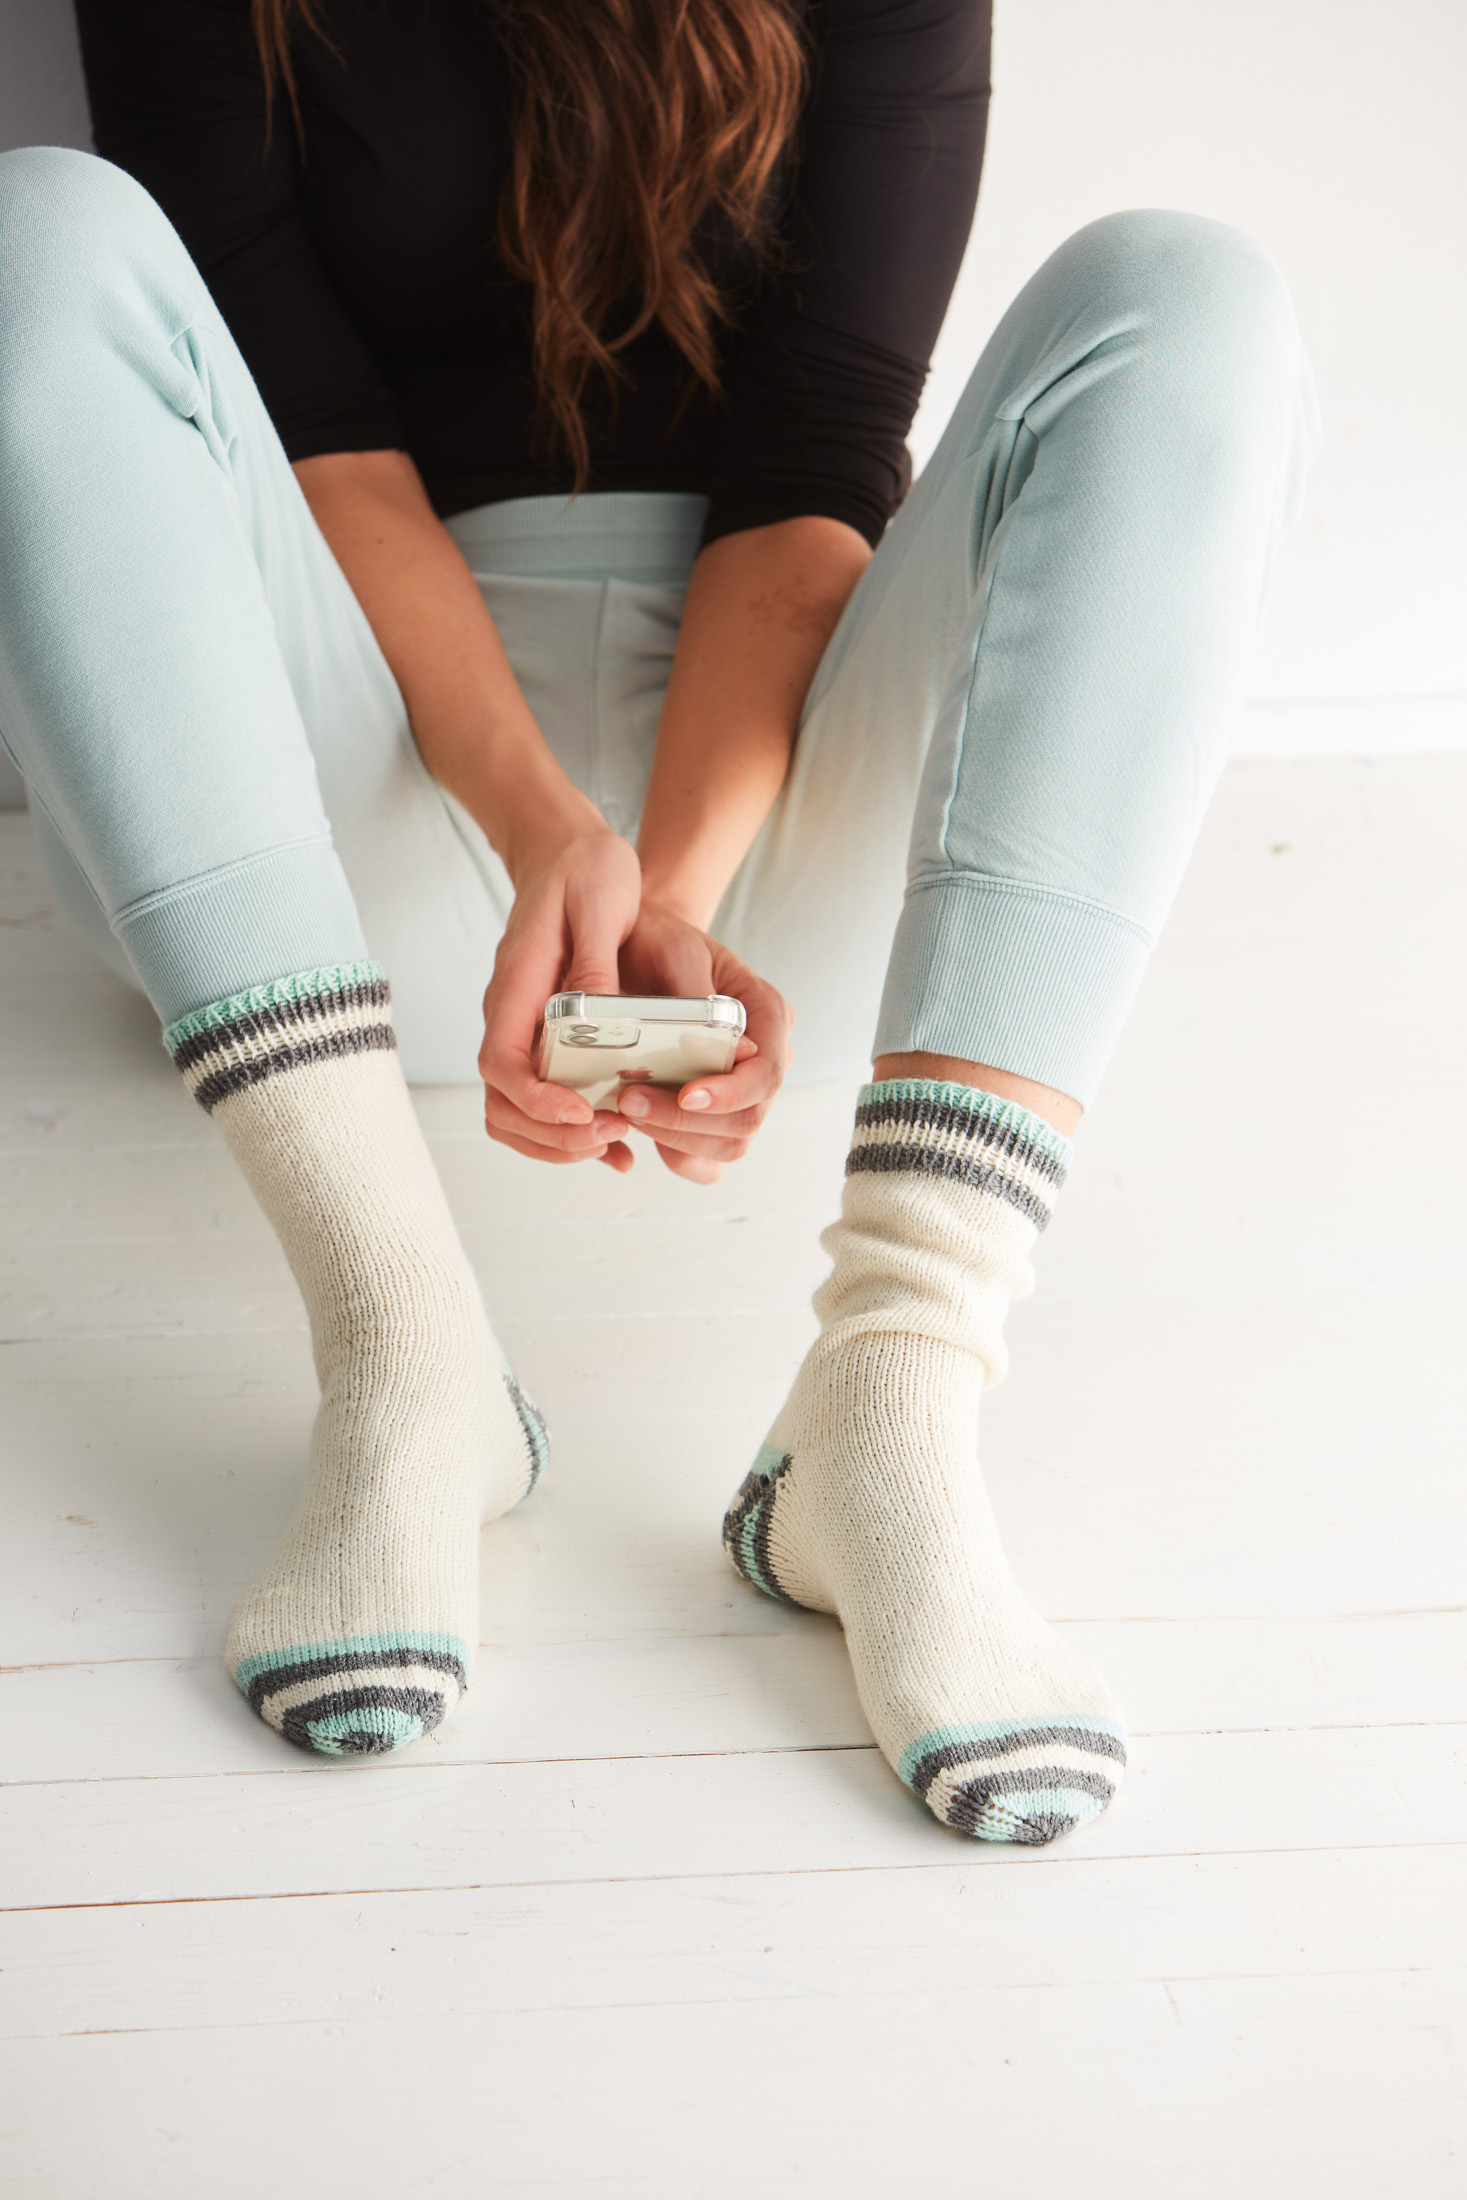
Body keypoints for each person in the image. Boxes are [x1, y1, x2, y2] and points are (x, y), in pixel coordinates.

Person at [0, 0, 1318, 1843]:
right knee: (35, 231)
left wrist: (673, 890)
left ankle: (896, 1390)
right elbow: (318, 434)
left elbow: (821, 450)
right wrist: (546, 825)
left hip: (785, 822)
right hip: (334, 802)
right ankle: (403, 1349)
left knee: (1186, 295)